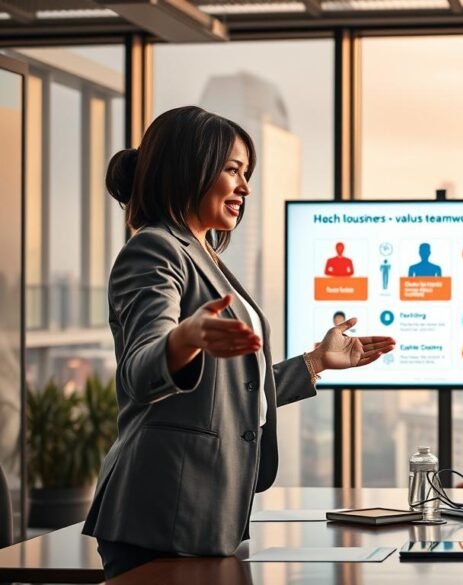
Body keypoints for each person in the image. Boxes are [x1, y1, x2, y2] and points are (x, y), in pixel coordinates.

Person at [81, 106, 395, 578]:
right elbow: (140, 372)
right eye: (233, 170)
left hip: (206, 509)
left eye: (246, 173)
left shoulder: (202, 253)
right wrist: (183, 338)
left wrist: (313, 363)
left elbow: (232, 390)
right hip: (163, 510)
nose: (245, 188)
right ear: (191, 168)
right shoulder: (155, 248)